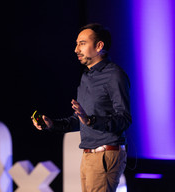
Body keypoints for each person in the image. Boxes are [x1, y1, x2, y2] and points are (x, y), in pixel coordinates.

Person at [31, 23, 132, 192]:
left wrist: (90, 120)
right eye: (77, 43)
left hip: (105, 154)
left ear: (99, 46)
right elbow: (81, 119)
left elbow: (124, 119)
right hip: (88, 155)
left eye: (82, 43)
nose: (76, 49)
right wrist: (53, 124)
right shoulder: (87, 76)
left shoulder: (114, 75)